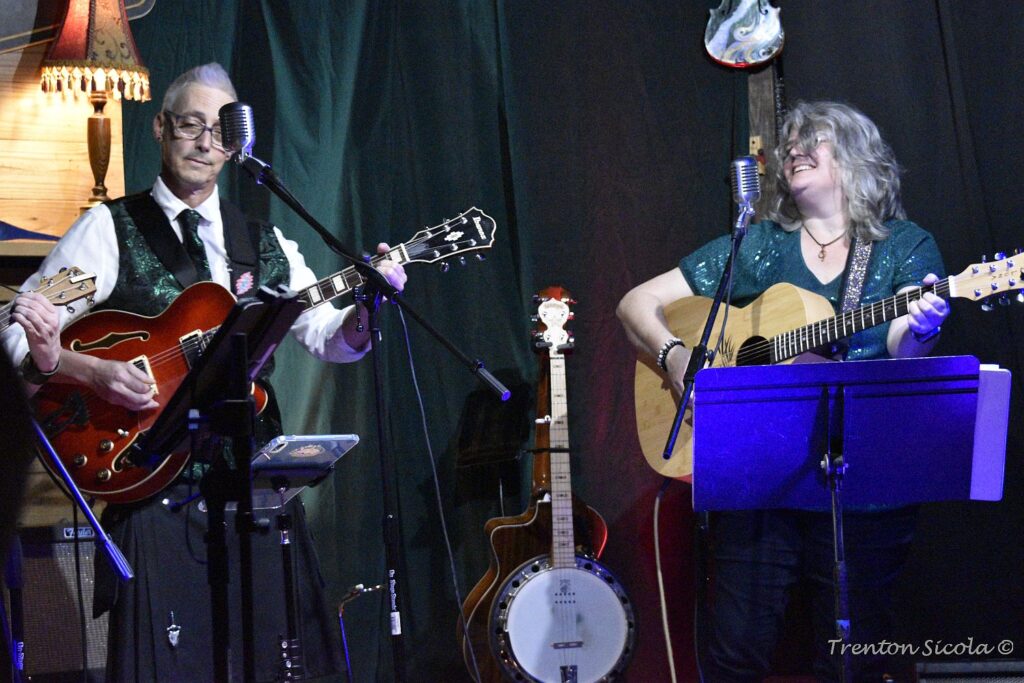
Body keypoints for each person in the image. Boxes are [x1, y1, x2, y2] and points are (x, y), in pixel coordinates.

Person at [1, 63, 407, 682]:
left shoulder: (261, 240)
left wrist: (370, 307)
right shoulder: (110, 230)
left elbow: (329, 337)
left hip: (252, 493)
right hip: (152, 486)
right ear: (162, 129)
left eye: (219, 130)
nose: (203, 142)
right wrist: (89, 371)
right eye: (189, 125)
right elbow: (16, 336)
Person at [617, 101, 949, 681]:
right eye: (789, 144)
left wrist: (920, 327)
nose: (792, 151)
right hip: (762, 482)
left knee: (850, 662)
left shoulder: (905, 247)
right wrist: (675, 359)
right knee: (734, 653)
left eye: (811, 141)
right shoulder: (761, 245)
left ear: (855, 159)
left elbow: (902, 348)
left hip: (861, 492)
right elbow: (634, 304)